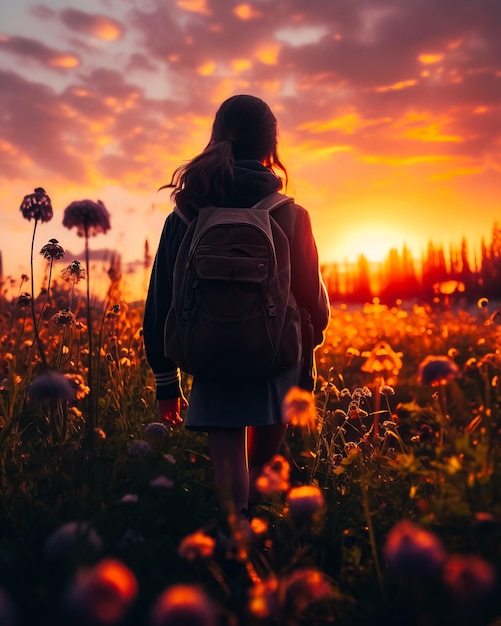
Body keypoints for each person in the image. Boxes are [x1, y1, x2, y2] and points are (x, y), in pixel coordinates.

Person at [143, 94, 330, 521]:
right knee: (264, 474)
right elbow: (312, 305)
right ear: (270, 148)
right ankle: (262, 535)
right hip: (276, 359)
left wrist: (166, 381)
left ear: (216, 138)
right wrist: (303, 355)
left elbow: (160, 302)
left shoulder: (186, 213)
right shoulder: (291, 214)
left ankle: (233, 536)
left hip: (211, 357)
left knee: (231, 482)